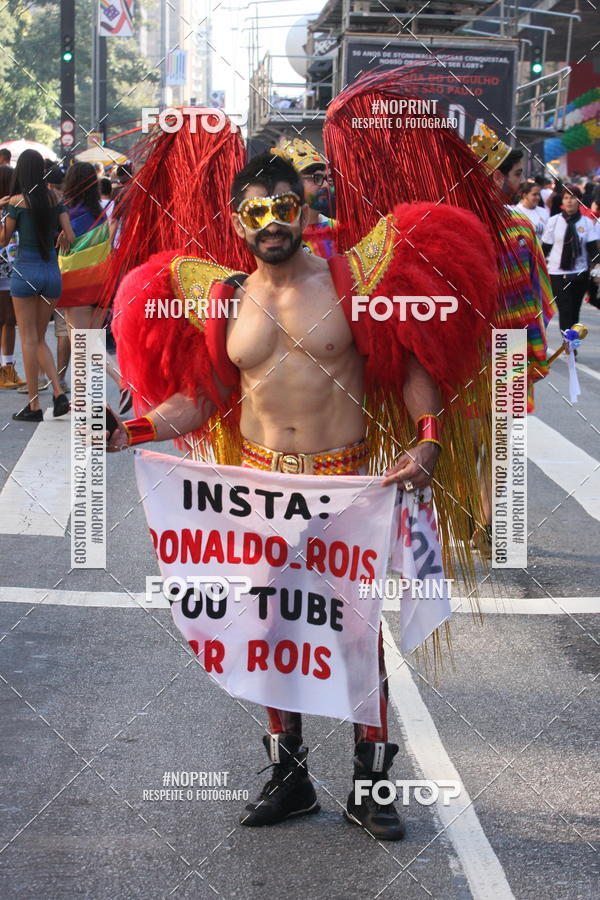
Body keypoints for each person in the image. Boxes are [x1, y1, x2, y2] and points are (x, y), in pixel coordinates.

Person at [108, 139, 500, 841]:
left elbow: (408, 364)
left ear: (304, 205)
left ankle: (372, 787)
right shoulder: (226, 297)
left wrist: (429, 436)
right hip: (258, 491)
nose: (271, 220)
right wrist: (130, 432)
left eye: (283, 205)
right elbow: (204, 399)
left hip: (343, 488)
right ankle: (288, 779)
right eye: (256, 210)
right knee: (267, 630)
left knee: (354, 639)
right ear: (236, 222)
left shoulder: (350, 279)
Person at [0, 149, 73, 421]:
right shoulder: (56, 198)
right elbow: (71, 235)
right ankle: (57, 391)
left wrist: (2, 208)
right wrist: (62, 237)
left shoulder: (17, 203)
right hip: (52, 273)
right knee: (39, 339)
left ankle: (34, 406)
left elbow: (3, 241)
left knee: (29, 339)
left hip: (26, 273)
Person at [542, 183, 599, 333]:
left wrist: (596, 267)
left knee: (575, 311)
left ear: (579, 201)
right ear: (562, 201)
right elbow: (545, 248)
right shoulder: (554, 221)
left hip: (579, 272)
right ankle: (568, 345)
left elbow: (593, 249)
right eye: (566, 198)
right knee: (565, 309)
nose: (569, 201)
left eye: (572, 198)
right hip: (557, 273)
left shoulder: (586, 222)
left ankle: (572, 342)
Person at [60, 162, 108, 335]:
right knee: (94, 348)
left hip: (77, 287)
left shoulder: (68, 216)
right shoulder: (101, 216)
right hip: (100, 286)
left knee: (81, 349)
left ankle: (119, 365)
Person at [274, 139, 337, 258]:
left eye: (327, 178)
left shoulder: (338, 230)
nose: (325, 185)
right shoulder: (277, 235)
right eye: (316, 178)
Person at [0, 165, 26, 389]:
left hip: (12, 269)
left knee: (9, 320)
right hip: (4, 270)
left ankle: (8, 368)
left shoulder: (15, 204)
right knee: (4, 319)